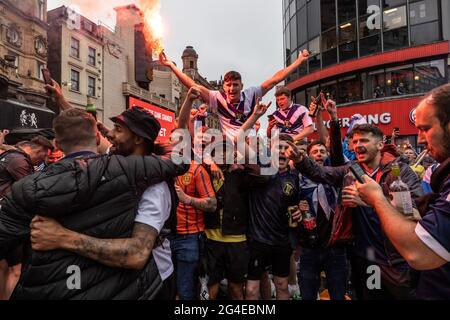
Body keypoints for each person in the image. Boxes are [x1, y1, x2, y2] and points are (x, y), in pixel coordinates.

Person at [0, 108, 189, 299]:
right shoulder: (118, 167)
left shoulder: (152, 185)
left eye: (118, 129)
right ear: (97, 138)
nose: (111, 134)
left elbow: (136, 254)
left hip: (145, 283)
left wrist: (63, 237)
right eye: (107, 132)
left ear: (56, 144)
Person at [287, 124, 424, 300]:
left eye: (364, 140)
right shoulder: (351, 170)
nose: (358, 145)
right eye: (355, 141)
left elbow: (415, 208)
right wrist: (300, 160)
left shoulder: (399, 171)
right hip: (366, 256)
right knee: (370, 296)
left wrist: (371, 201)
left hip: (396, 258)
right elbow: (321, 172)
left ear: (380, 144)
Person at [357, 83, 450, 299]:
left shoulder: (400, 172)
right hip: (371, 257)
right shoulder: (348, 172)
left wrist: (377, 200)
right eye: (354, 142)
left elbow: (420, 252)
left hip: (397, 265)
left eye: (425, 129)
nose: (419, 139)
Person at [159, 50, 309, 141]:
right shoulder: (217, 98)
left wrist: (298, 62)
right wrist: (171, 66)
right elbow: (192, 85)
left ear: (241, 86)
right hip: (228, 150)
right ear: (224, 87)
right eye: (229, 85)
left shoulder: (252, 94)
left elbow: (275, 79)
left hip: (250, 148)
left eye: (235, 85)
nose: (232, 89)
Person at [245, 134, 302, 301]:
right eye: (279, 147)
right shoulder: (260, 172)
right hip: (258, 240)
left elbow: (299, 205)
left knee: (282, 286)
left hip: (282, 242)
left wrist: (300, 210)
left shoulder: (295, 177)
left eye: (287, 148)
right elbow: (241, 144)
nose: (283, 152)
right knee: (251, 289)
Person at [0, 135, 53, 300]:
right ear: (37, 150)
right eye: (43, 156)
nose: (42, 160)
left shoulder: (8, 156)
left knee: (2, 266)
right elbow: (31, 192)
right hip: (9, 219)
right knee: (15, 269)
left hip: (3, 216)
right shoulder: (20, 162)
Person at [297, 141, 348, 300]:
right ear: (308, 155)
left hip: (335, 246)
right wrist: (297, 209)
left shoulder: (337, 176)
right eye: (315, 151)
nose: (319, 154)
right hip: (309, 246)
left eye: (322, 151)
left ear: (327, 156)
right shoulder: (298, 179)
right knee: (308, 295)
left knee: (338, 295)